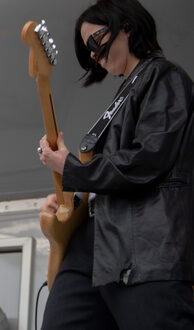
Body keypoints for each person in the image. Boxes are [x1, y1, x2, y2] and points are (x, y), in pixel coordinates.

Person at [37, 0, 194, 329]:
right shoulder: (125, 93)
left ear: (126, 25)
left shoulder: (165, 76)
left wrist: (72, 169)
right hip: (95, 247)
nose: (94, 55)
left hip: (143, 248)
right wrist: (76, 198)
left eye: (95, 42)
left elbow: (149, 159)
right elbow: (114, 174)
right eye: (87, 51)